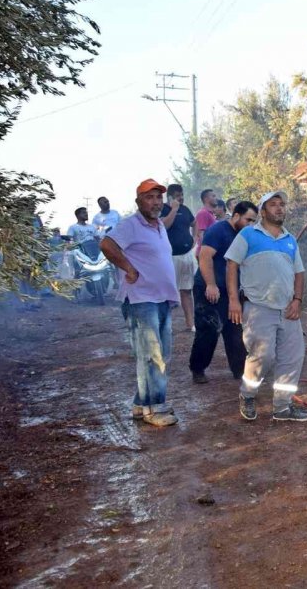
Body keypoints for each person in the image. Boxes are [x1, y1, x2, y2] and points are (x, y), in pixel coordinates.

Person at [100, 179, 180, 427]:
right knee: (151, 355)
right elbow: (106, 244)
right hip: (141, 299)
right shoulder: (131, 225)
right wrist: (128, 268)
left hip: (161, 298)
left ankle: (140, 404)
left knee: (161, 353)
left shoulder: (158, 226)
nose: (156, 202)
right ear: (138, 201)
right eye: (150, 197)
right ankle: (153, 409)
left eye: (159, 197)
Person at [225, 191, 307, 422]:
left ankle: (282, 407)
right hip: (258, 307)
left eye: (282, 204)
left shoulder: (290, 240)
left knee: (293, 357)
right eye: (273, 205)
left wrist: (297, 300)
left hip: (288, 309)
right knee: (263, 356)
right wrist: (233, 300)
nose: (279, 208)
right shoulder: (248, 235)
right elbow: (231, 265)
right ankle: (248, 394)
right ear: (263, 211)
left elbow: (299, 273)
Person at [188, 201, 258, 383]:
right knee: (209, 330)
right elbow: (204, 256)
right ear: (236, 216)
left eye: (254, 221)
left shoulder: (246, 236)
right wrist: (211, 285)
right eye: (248, 219)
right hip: (209, 289)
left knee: (234, 330)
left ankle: (240, 371)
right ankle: (198, 369)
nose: (251, 224)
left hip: (231, 291)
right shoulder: (218, 230)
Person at [159, 184, 196, 332]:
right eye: (178, 195)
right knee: (167, 292)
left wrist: (195, 237)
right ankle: (165, 326)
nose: (181, 198)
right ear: (170, 197)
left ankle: (190, 323)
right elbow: (164, 226)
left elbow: (194, 223)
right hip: (169, 257)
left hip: (186, 255)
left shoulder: (186, 209)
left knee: (186, 290)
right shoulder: (163, 209)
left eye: (182, 195)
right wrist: (173, 209)